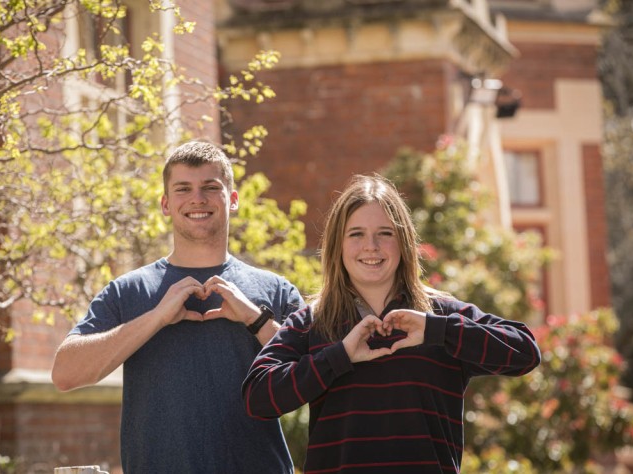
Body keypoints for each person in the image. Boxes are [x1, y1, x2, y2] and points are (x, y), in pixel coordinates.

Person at [242, 174, 541, 473]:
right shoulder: (311, 322)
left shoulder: (440, 315)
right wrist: (339, 356)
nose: (370, 246)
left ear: (404, 242)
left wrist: (436, 330)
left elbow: (526, 351)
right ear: (338, 245)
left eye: (384, 233)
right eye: (356, 234)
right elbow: (258, 398)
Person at [52, 140, 303, 473]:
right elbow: (65, 374)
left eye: (210, 188)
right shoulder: (129, 291)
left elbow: (316, 378)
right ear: (166, 204)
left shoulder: (275, 290)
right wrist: (156, 318)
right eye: (183, 189)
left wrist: (254, 319)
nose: (197, 199)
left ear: (233, 200)